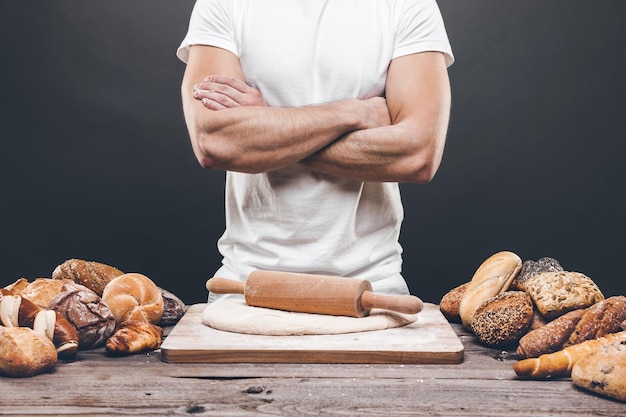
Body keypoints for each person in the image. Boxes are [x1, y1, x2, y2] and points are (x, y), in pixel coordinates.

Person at [177, 0, 454, 303]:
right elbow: (216, 142)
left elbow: (418, 155)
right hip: (245, 285)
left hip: (372, 289)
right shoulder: (223, 4)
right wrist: (353, 113)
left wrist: (268, 126)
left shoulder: (408, 5)